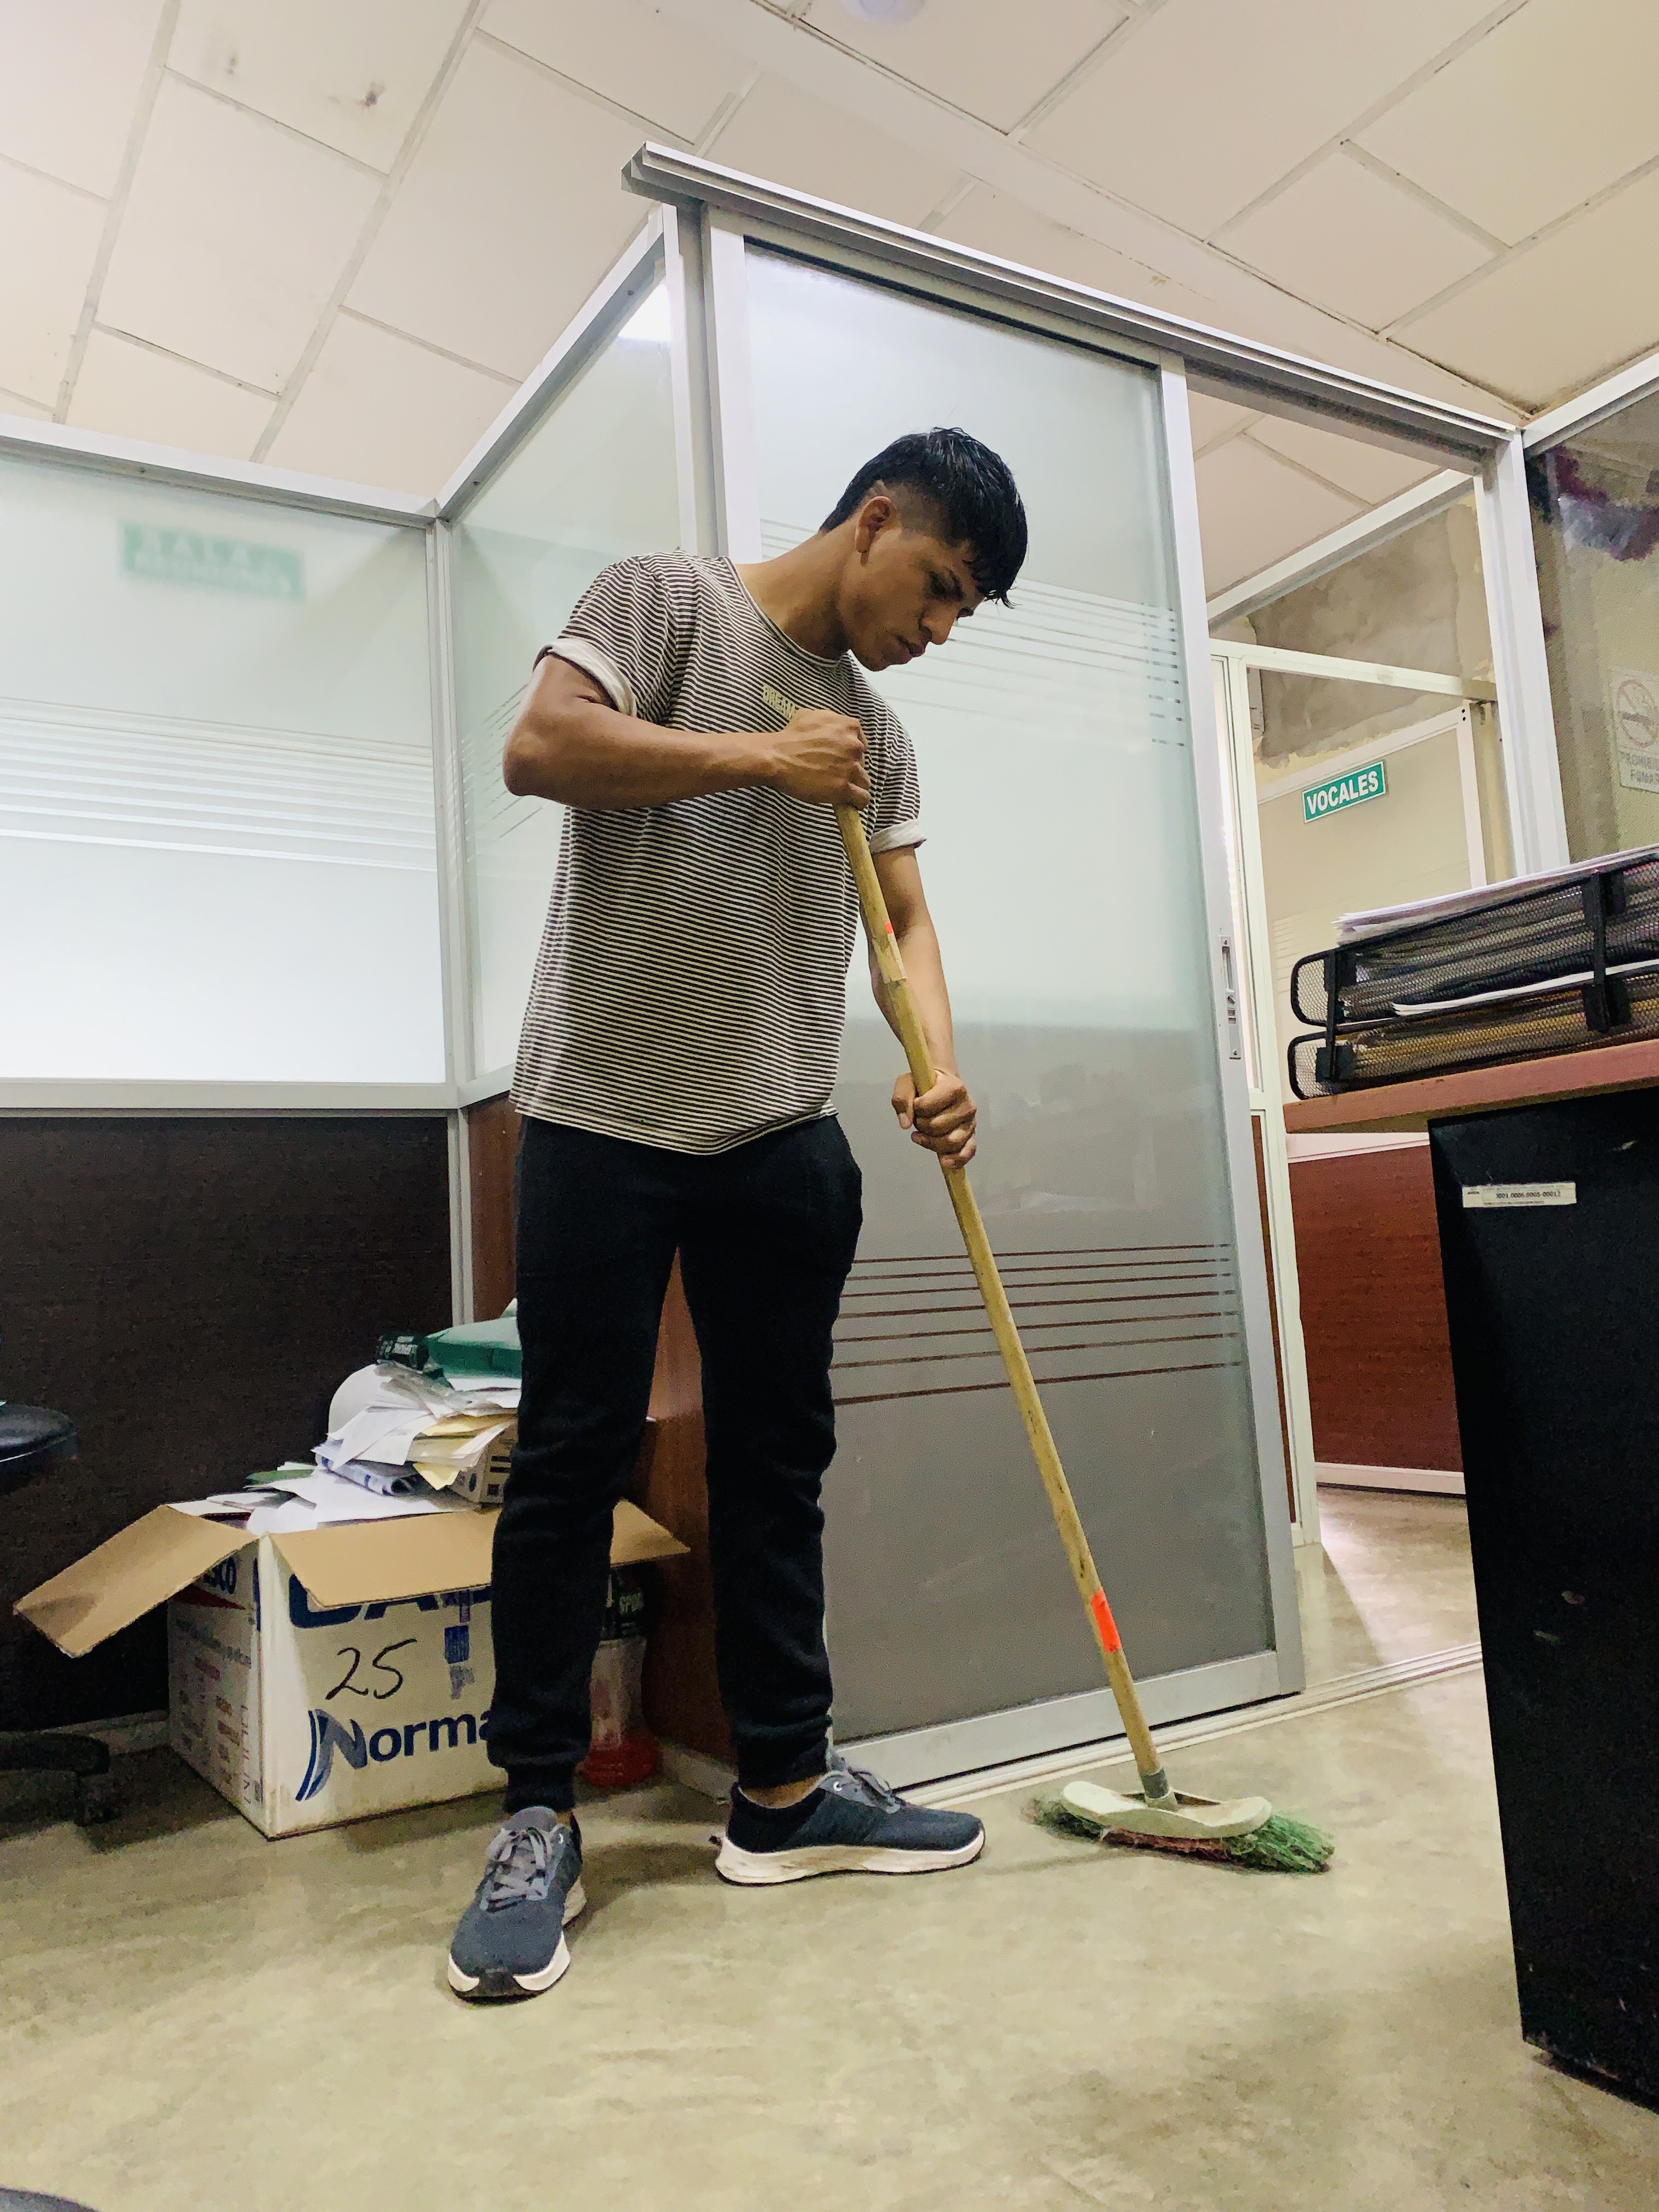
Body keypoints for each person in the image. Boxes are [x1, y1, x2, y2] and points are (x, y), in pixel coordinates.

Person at [447, 427, 1029, 2001]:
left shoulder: (880, 736)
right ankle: (536, 1816)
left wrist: (938, 1065)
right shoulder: (667, 602)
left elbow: (905, 916)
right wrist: (761, 760)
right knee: (571, 1460)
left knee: (780, 1462)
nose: (939, 627)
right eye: (939, 586)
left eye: (963, 610)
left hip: (775, 1132)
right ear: (874, 520)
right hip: (597, 1118)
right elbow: (541, 748)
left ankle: (783, 1789)